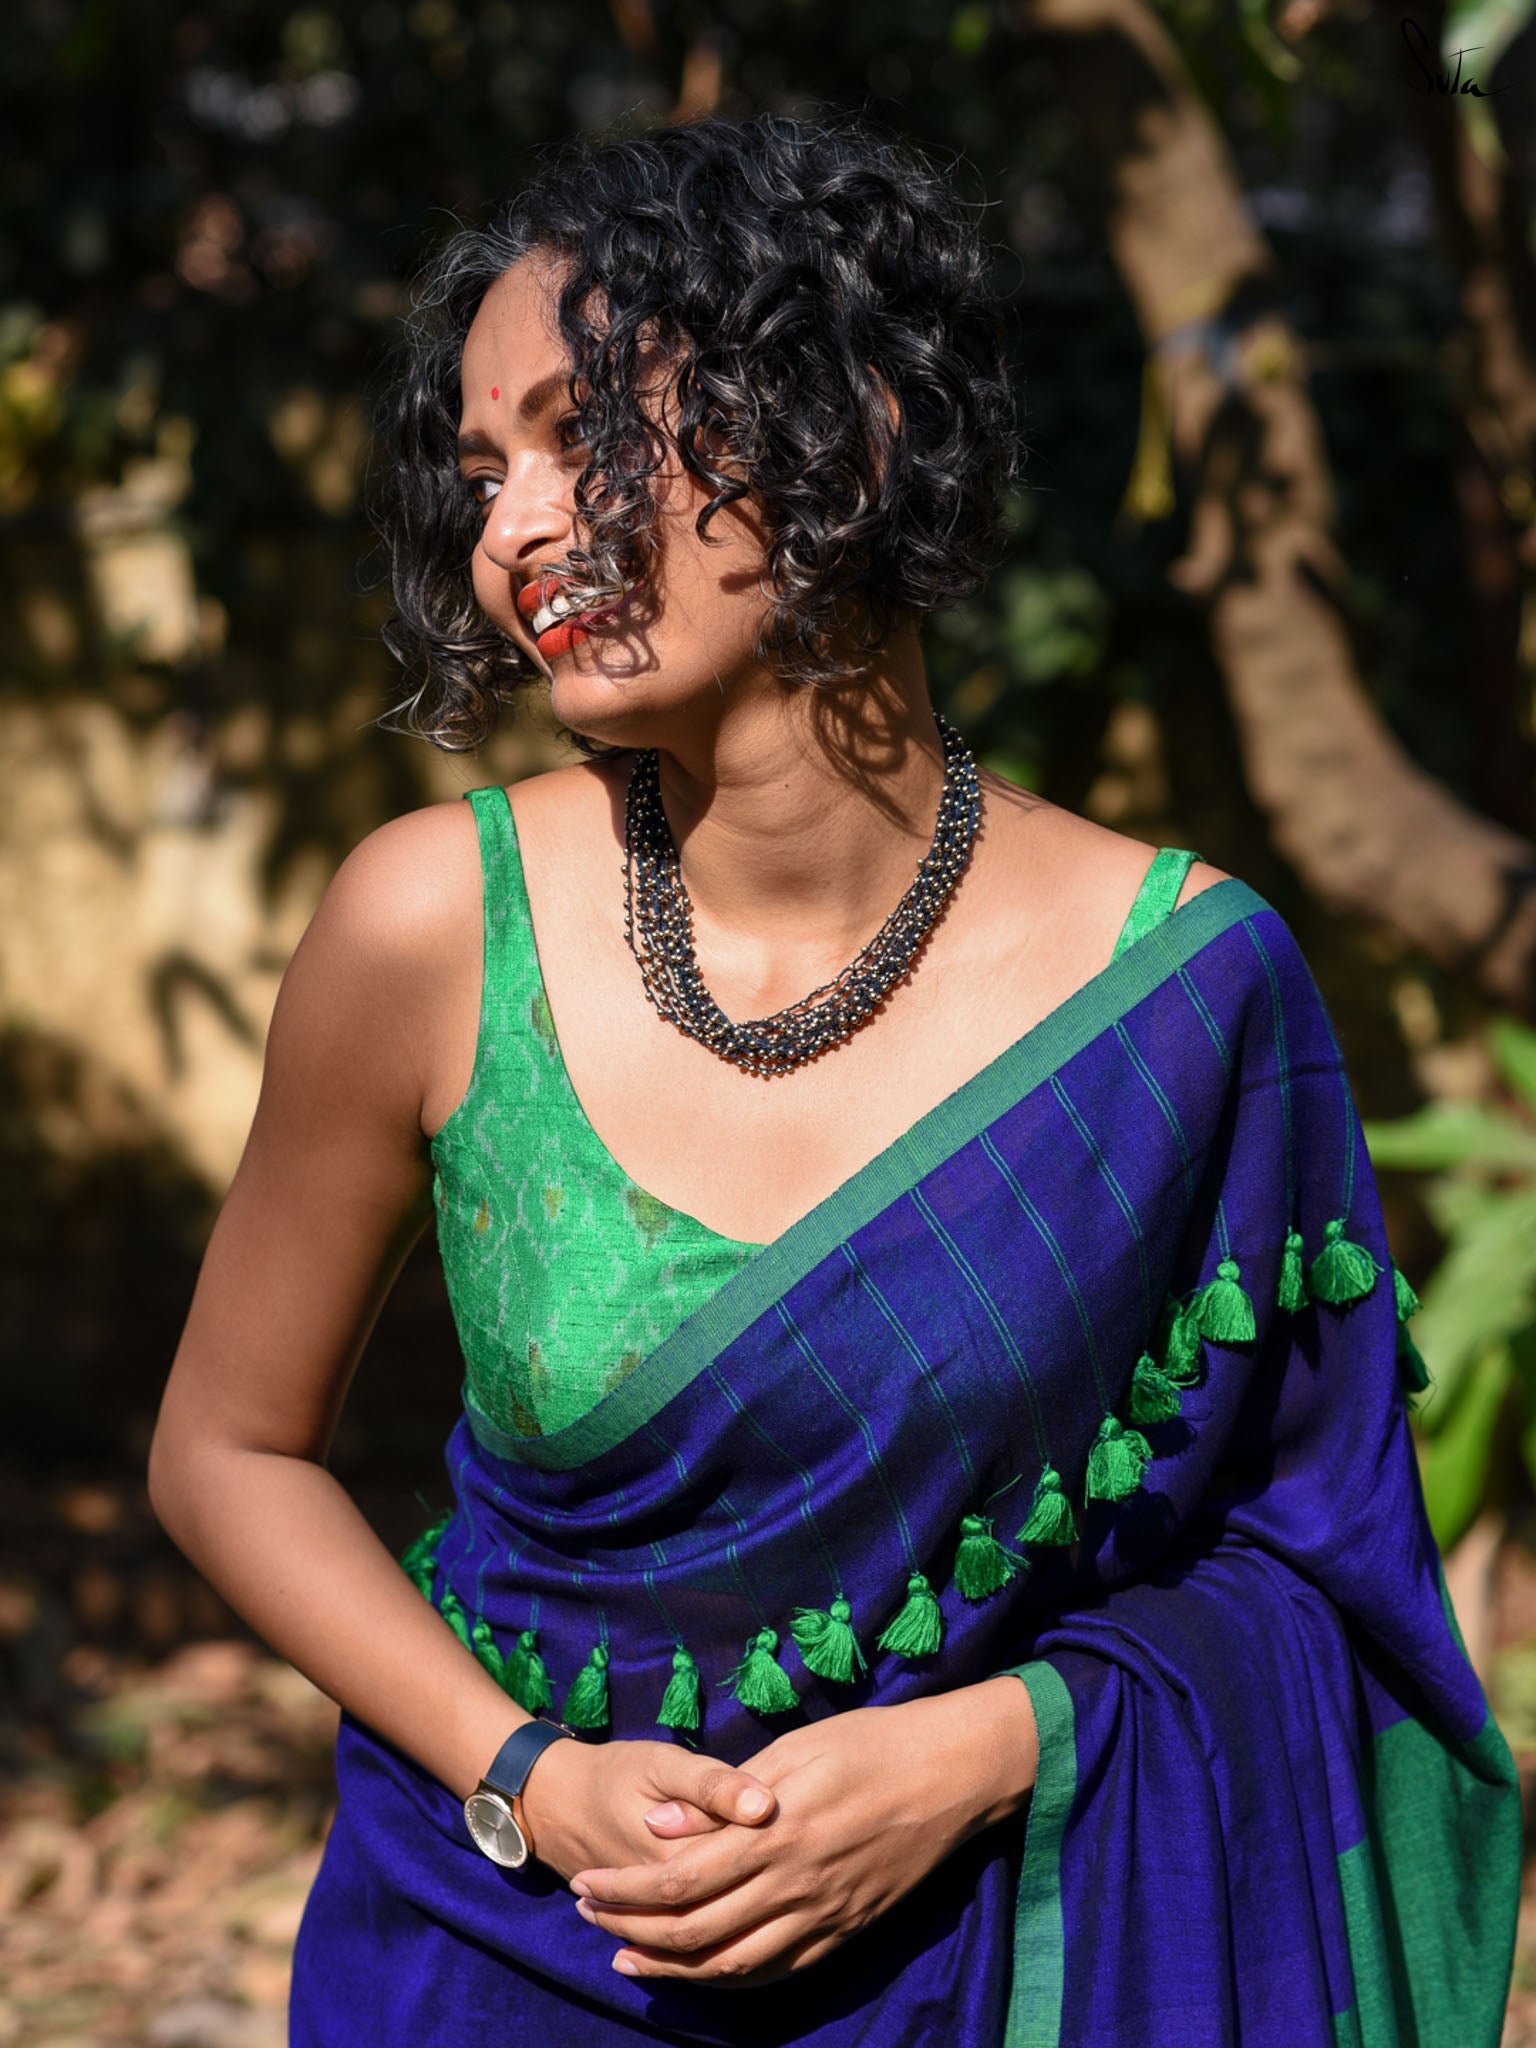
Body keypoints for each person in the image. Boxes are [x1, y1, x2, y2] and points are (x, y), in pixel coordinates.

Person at [148, 110, 1520, 2047]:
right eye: (481, 471)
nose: (510, 531)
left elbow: (1316, 1570)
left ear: (844, 427)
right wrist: (527, 1771)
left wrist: (988, 1747)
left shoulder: (1180, 996)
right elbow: (226, 1452)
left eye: (577, 434)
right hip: (506, 1948)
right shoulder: (433, 930)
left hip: (982, 1961)